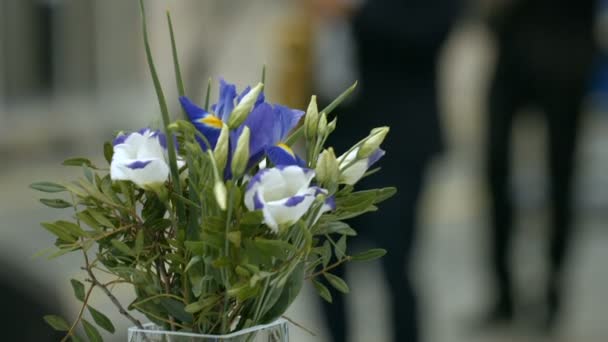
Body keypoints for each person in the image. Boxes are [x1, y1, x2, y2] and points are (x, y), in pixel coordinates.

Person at [312, 1, 460, 341]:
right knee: (322, 260)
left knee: (396, 261)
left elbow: (435, 28)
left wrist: (355, 11)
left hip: (400, 135)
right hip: (336, 134)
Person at [483, 0, 597, 330]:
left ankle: (554, 292)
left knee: (561, 178)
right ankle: (503, 292)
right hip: (513, 47)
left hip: (566, 50)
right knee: (495, 169)